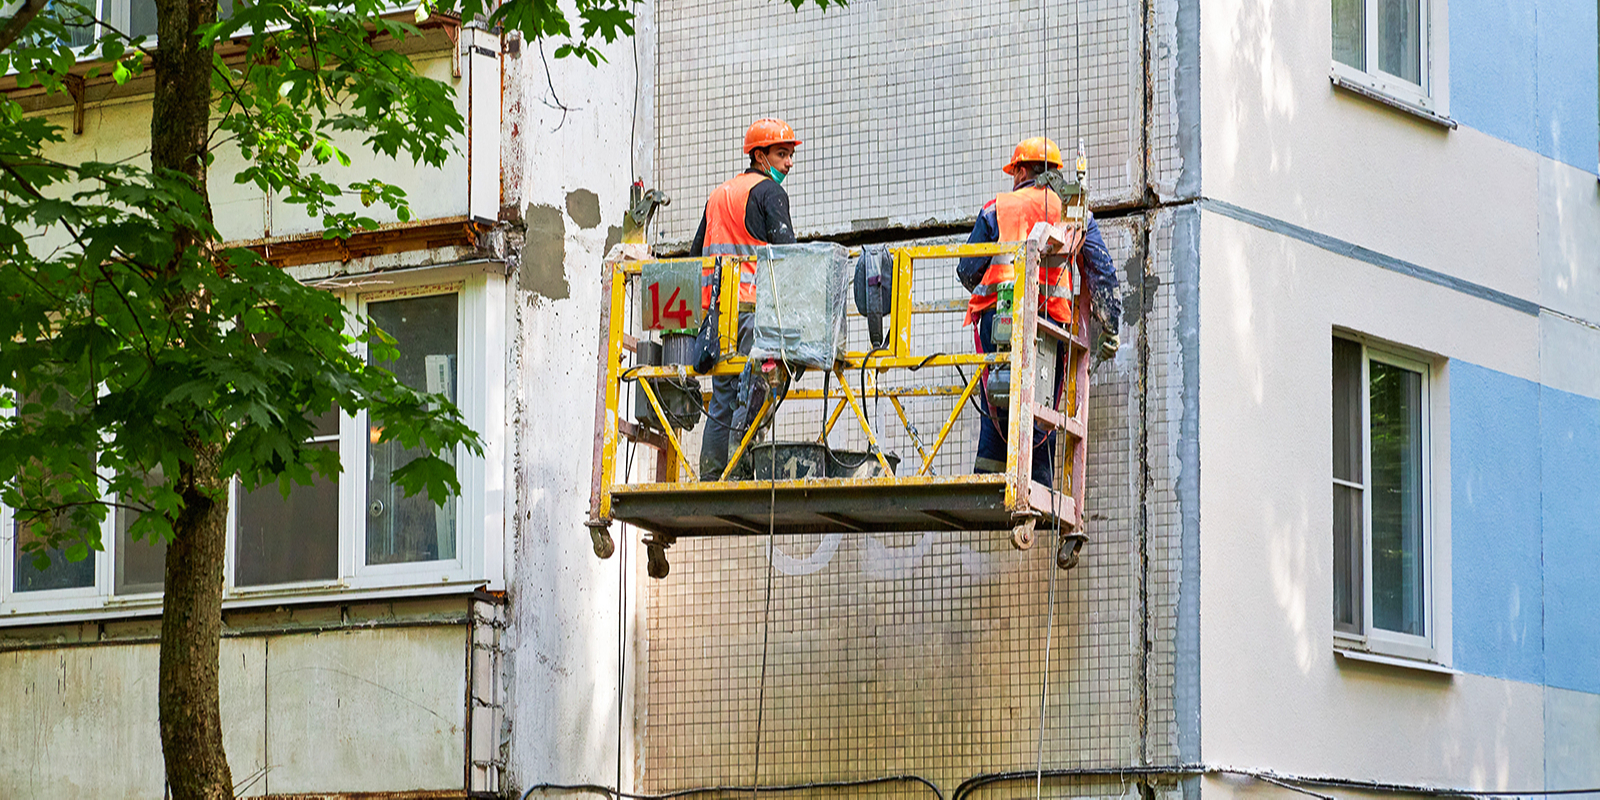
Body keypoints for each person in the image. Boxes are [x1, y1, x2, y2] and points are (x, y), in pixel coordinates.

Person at [955, 136, 1122, 483]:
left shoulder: (997, 208)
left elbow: (967, 270)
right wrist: (1111, 325)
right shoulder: (1076, 214)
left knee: (997, 393)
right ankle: (1040, 480)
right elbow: (1101, 273)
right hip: (1050, 324)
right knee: (1043, 402)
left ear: (1021, 170)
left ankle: (989, 475)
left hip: (999, 320)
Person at [690, 117, 800, 480]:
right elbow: (789, 255)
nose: (788, 163)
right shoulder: (771, 193)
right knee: (757, 389)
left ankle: (712, 475)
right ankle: (739, 469)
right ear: (759, 156)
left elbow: (696, 254)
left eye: (789, 154)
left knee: (723, 394)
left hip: (719, 312)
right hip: (753, 308)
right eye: (781, 154)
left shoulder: (719, 194)